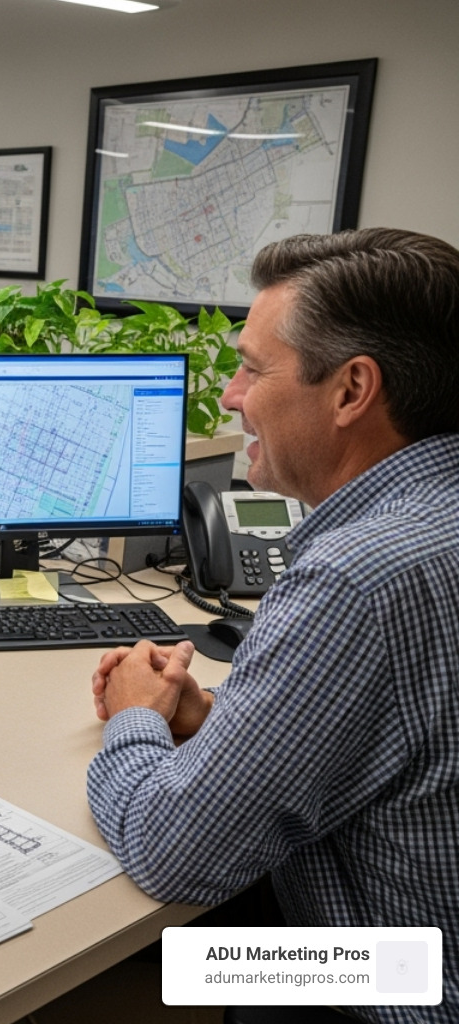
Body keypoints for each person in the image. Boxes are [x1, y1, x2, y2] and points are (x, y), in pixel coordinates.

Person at [85, 228, 459, 1021]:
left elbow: (172, 851)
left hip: (395, 978)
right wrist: (215, 718)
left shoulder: (357, 577)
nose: (229, 396)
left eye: (253, 369)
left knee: (103, 962)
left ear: (352, 390)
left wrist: (133, 719)